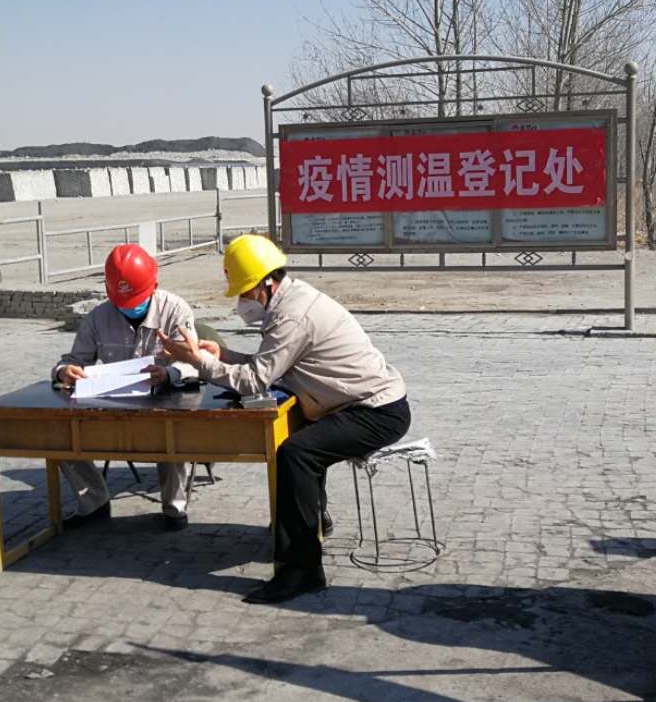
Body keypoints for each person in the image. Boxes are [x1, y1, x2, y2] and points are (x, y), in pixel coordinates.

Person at [161, 234, 410, 603]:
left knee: (297, 454)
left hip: (376, 411)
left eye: (246, 291)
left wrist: (199, 361)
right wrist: (222, 355)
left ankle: (302, 570)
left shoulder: (292, 315)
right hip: (354, 405)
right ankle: (314, 521)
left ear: (267, 283)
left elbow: (255, 380)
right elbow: (272, 366)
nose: (243, 301)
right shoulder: (291, 301)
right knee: (302, 444)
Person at [53, 243, 198, 531]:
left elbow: (196, 363)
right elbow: (73, 360)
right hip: (112, 408)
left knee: (177, 434)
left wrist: (169, 373)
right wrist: (64, 371)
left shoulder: (175, 310)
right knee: (58, 435)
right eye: (123, 302)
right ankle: (94, 501)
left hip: (163, 406)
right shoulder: (99, 316)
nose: (130, 307)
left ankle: (174, 507)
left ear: (154, 285)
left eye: (136, 300)